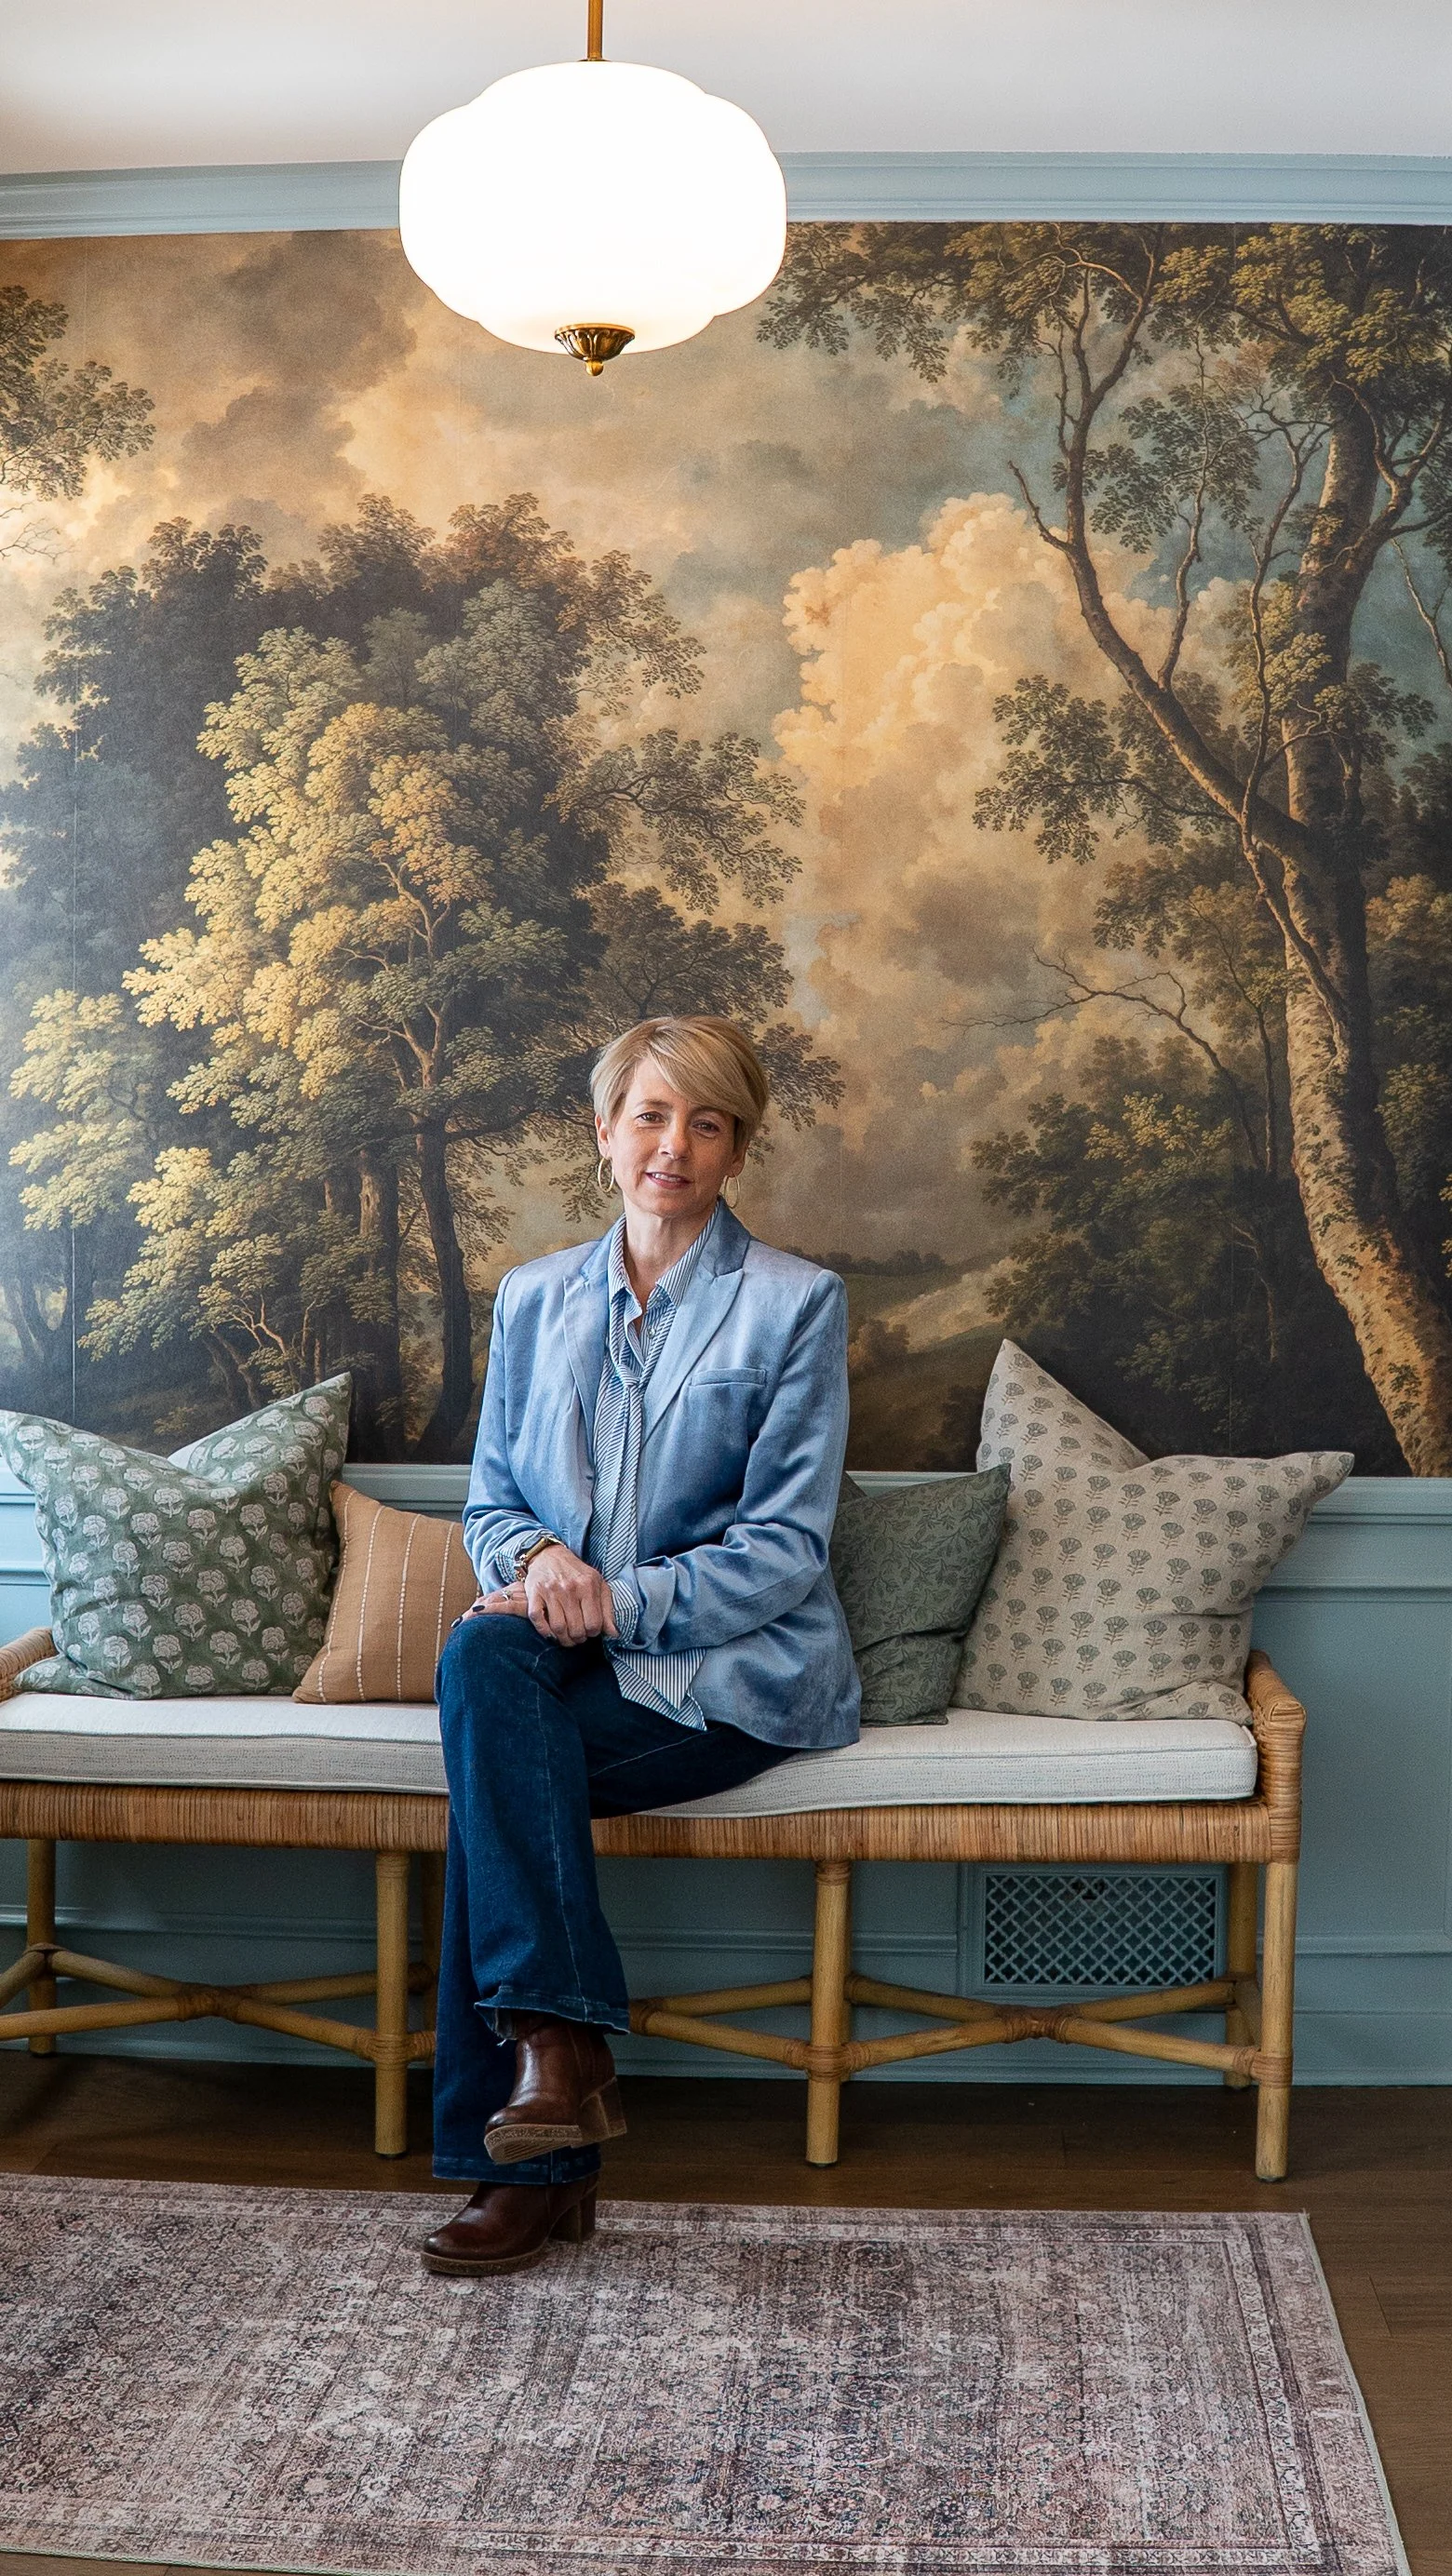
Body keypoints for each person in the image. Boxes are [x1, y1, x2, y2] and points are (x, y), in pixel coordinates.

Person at [424, 1014, 859, 2274]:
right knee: (483, 1672)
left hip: (734, 1677)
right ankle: (558, 2064)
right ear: (605, 1132)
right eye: (652, 1116)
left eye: (706, 1122)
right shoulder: (535, 1297)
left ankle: (529, 2159)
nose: (675, 1145)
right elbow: (492, 1502)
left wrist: (620, 1602)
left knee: (494, 1784)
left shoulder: (795, 1306)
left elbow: (787, 1548)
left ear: (734, 1147)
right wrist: (538, 1562)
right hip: (561, 1656)